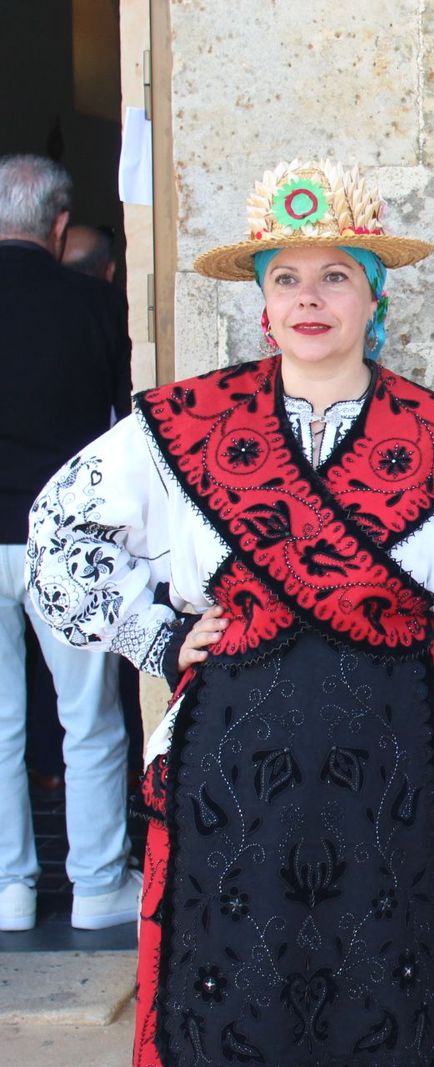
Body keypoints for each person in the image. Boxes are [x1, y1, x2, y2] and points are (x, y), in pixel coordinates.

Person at [27, 159, 434, 1066]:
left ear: (373, 297)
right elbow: (56, 528)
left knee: (396, 1000)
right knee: (239, 1003)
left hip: (402, 768)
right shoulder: (181, 427)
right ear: (263, 305)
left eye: (336, 274)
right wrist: (150, 632)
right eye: (287, 278)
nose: (311, 298)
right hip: (234, 774)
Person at [0, 153, 135, 933]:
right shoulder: (92, 305)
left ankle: (10, 889)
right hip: (65, 535)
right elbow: (123, 419)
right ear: (58, 225)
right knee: (86, 719)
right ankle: (94, 886)